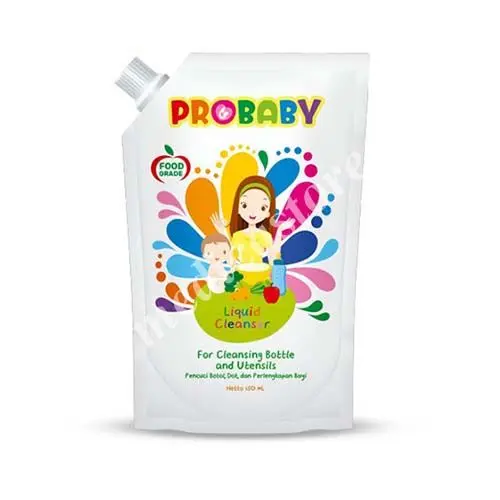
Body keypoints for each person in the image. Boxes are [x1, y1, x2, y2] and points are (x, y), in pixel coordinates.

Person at [211, 176, 294, 265]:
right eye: (244, 205)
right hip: (242, 272)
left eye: (262, 208)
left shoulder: (265, 235)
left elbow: (273, 259)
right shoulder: (237, 236)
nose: (253, 212)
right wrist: (223, 232)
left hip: (260, 271)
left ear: (267, 213)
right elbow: (231, 262)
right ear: (238, 209)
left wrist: (280, 231)